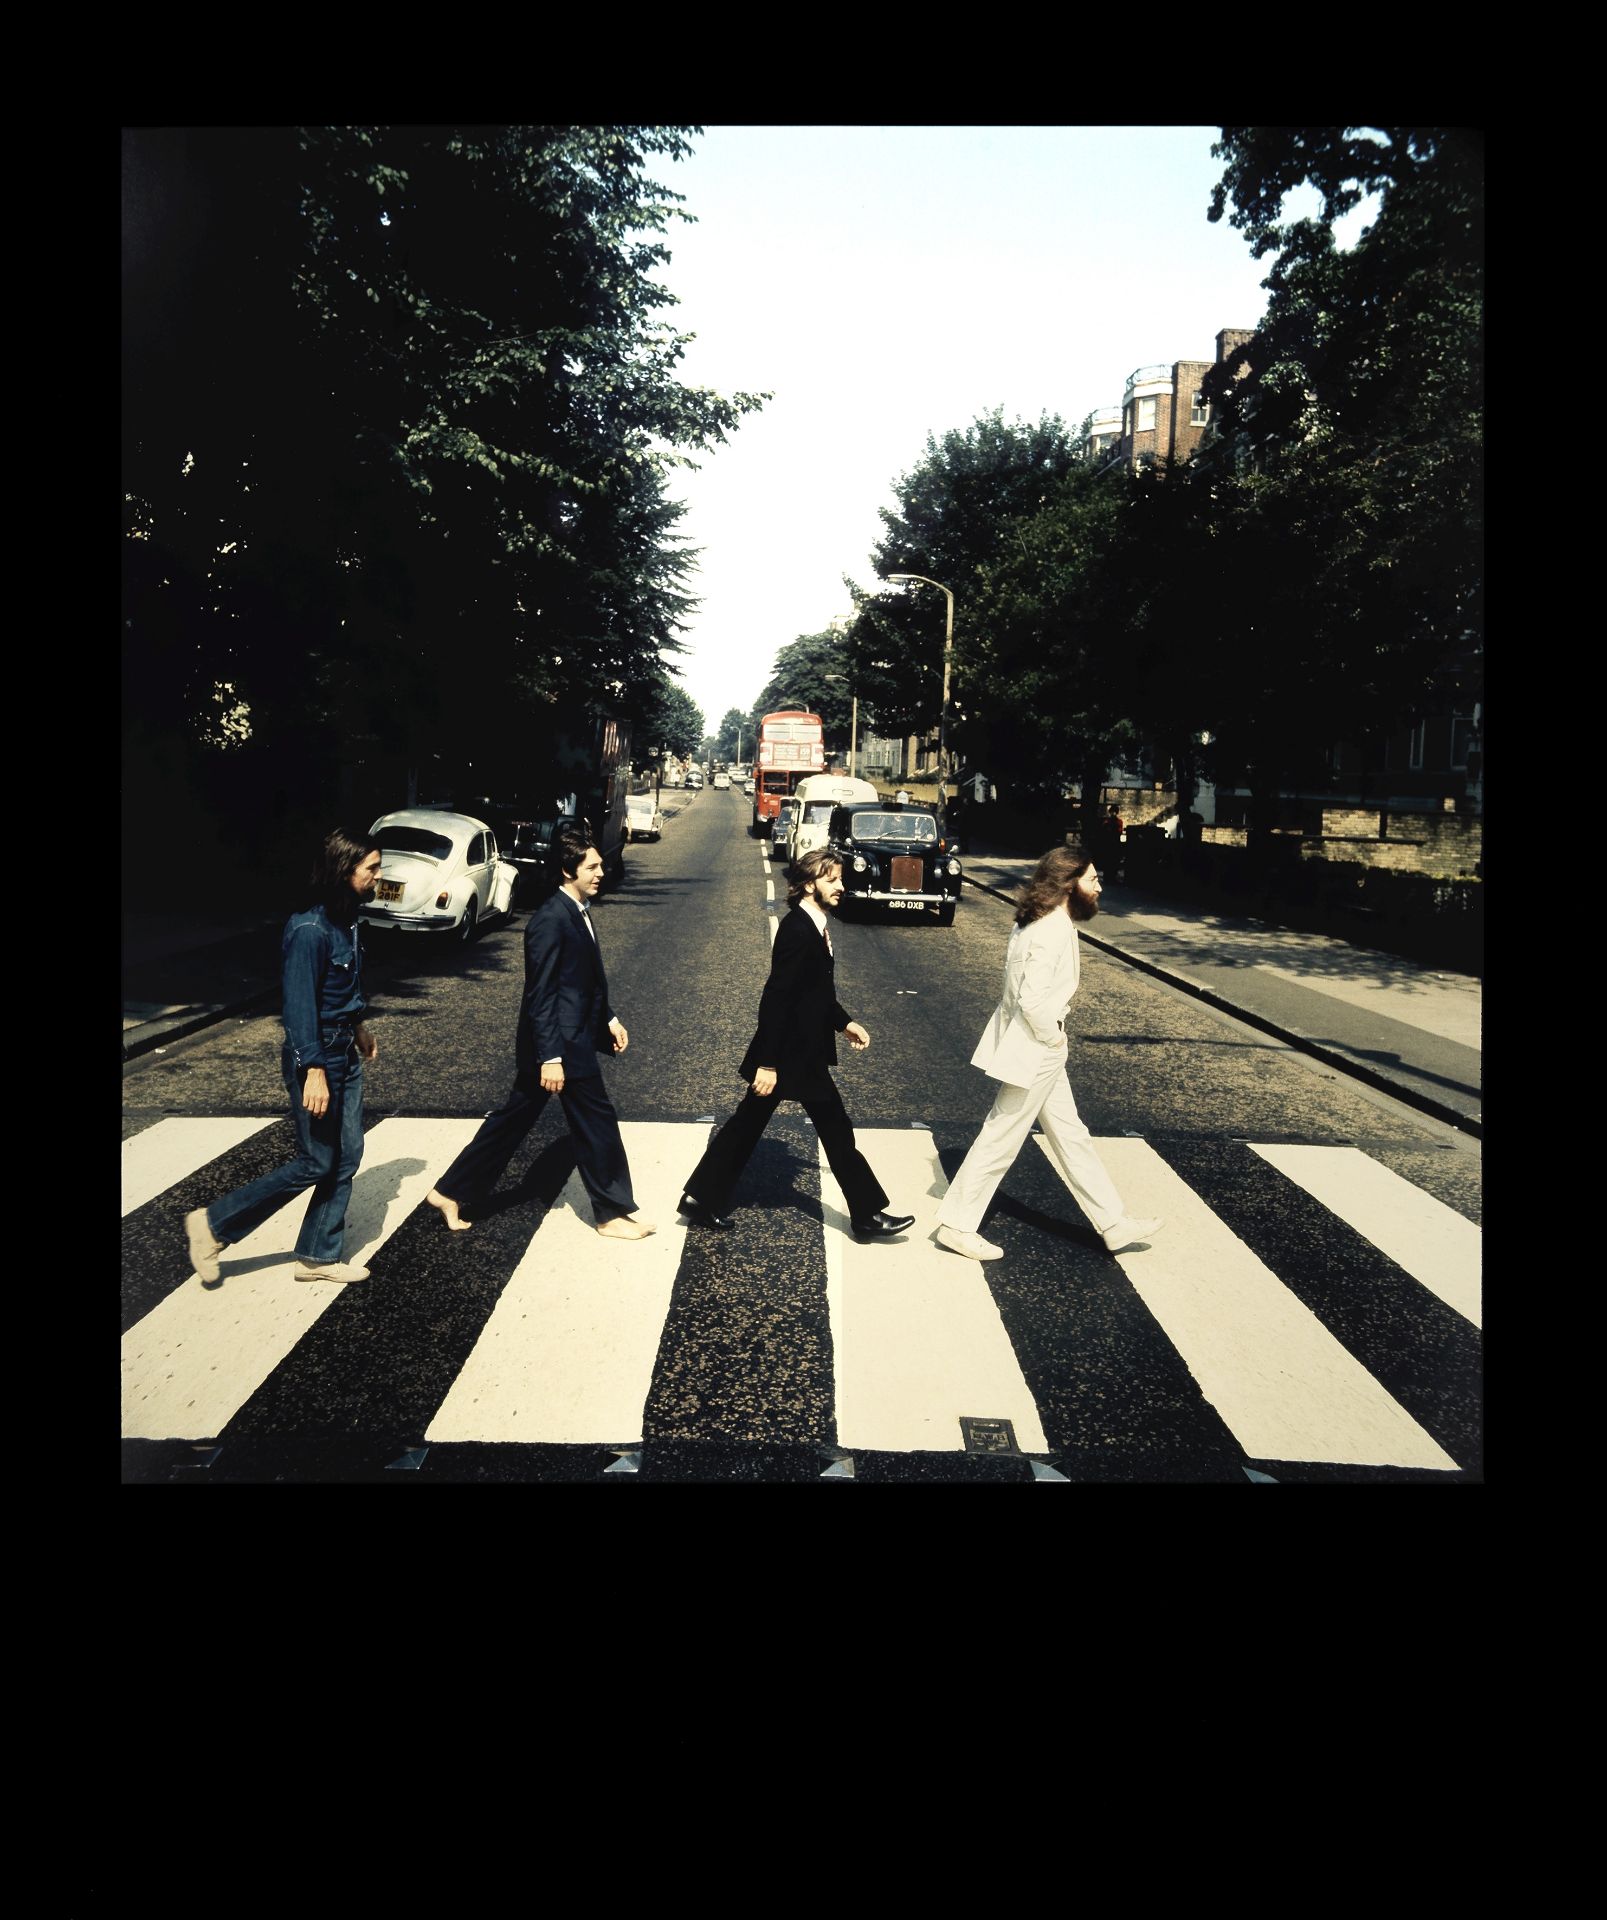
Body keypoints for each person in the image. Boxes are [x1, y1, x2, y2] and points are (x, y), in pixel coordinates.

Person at [933, 845, 1162, 1262]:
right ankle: (957, 1225)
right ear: (1069, 884)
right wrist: (1054, 1037)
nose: (1100, 887)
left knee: (1071, 1135)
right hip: (1035, 1048)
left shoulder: (1037, 921)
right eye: (1093, 880)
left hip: (1036, 1048)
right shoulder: (1052, 929)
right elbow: (1032, 1000)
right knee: (1000, 1137)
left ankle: (1112, 1222)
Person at [424, 825, 654, 1240]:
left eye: (600, 864)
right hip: (562, 1045)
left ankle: (449, 1191)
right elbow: (542, 994)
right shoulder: (550, 920)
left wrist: (609, 1018)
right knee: (597, 1122)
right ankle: (610, 1213)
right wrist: (551, 1056)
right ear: (568, 871)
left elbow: (582, 982)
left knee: (512, 1119)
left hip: (569, 1037)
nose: (601, 872)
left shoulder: (577, 910)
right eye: (592, 866)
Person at [678, 848, 914, 1240]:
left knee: (750, 1125)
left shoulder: (814, 925)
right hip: (791, 1057)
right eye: (832, 879)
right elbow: (777, 999)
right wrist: (767, 1064)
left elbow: (815, 993)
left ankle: (700, 1197)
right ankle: (867, 1214)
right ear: (808, 885)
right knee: (833, 1132)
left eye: (840, 878)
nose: (841, 886)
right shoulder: (797, 930)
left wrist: (845, 1023)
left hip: (800, 1053)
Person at [183, 828, 384, 1286]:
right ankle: (212, 1224)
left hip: (342, 1049)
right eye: (371, 868)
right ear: (343, 870)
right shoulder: (310, 929)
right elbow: (297, 1008)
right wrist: (313, 1069)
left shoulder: (348, 919)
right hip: (317, 1057)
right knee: (317, 1160)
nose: (379, 875)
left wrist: (359, 1027)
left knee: (347, 1153)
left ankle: (317, 1254)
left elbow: (339, 989)